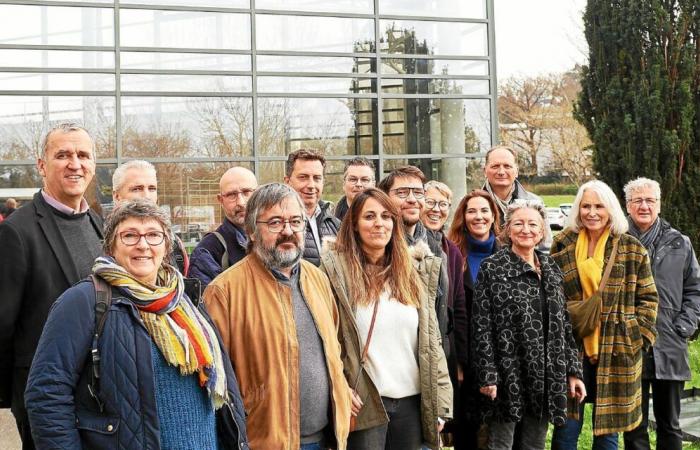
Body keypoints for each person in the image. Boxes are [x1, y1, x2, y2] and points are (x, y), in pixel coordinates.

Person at [24, 200, 248, 449]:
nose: (143, 244)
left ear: (166, 245)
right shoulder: (83, 302)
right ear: (111, 247)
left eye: (153, 235)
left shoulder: (187, 300)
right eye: (130, 236)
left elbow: (226, 389)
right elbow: (46, 395)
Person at [203, 183, 351, 450]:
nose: (288, 231)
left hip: (326, 440)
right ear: (251, 231)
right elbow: (214, 383)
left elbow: (334, 350)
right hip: (263, 442)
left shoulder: (317, 278)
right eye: (274, 222)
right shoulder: (224, 292)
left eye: (296, 221)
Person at [320, 188, 452, 450]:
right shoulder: (335, 272)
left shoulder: (414, 272)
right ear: (354, 225)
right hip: (365, 403)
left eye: (386, 216)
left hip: (412, 405)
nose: (379, 223)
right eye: (369, 216)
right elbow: (325, 340)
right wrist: (341, 387)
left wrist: (441, 404)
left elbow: (431, 343)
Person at [0, 123, 104, 449]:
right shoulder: (17, 232)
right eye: (63, 155)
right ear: (42, 165)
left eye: (83, 155)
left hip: (101, 397)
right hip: (49, 402)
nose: (75, 163)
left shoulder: (99, 225)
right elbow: (3, 327)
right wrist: (18, 399)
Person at [550, 180, 659, 450]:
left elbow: (648, 298)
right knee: (566, 429)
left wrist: (636, 338)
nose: (592, 212)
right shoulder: (562, 243)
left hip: (616, 349)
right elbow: (551, 298)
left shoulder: (630, 248)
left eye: (599, 206)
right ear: (577, 209)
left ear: (610, 209)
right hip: (572, 349)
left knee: (608, 432)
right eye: (585, 206)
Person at [472, 200, 585, 450]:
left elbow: (563, 326)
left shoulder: (551, 268)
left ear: (542, 230)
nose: (526, 229)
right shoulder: (492, 268)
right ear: (507, 229)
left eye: (533, 224)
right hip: (507, 373)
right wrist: (487, 374)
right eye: (519, 223)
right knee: (501, 443)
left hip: (546, 374)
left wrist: (573, 372)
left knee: (534, 444)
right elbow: (481, 326)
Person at [622, 178, 700, 450]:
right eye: (637, 201)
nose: (644, 206)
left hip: (670, 342)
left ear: (658, 203)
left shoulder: (680, 242)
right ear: (627, 205)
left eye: (650, 200)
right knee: (633, 426)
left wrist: (685, 326)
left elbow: (695, 289)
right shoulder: (616, 241)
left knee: (670, 424)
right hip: (629, 344)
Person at [447, 189, 502, 449]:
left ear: (493, 216)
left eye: (484, 211)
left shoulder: (509, 254)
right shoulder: (452, 254)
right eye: (472, 211)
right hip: (466, 359)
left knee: (501, 434)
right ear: (463, 217)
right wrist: (458, 361)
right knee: (468, 434)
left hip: (504, 359)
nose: (478, 216)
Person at [378, 166, 450, 359]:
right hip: (393, 363)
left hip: (432, 358)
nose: (412, 199)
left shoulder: (435, 246)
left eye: (418, 192)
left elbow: (443, 309)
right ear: (385, 199)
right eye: (402, 193)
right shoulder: (378, 249)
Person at [421, 181, 469, 446]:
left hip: (444, 346)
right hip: (416, 346)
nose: (436, 210)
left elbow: (459, 308)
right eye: (430, 202)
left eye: (442, 205)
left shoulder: (452, 251)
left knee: (440, 424)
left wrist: (459, 361)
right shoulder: (407, 243)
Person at [112, 159, 190, 275]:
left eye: (152, 188)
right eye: (137, 189)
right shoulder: (100, 240)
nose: (147, 196)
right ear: (117, 196)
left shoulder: (174, 243)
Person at [189, 166, 258, 287]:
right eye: (232, 195)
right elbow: (211, 303)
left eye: (247, 192)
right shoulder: (207, 252)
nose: (241, 202)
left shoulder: (276, 238)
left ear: (258, 194)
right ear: (220, 200)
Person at [482, 145, 551, 250]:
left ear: (517, 171)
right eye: (495, 166)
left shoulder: (534, 203)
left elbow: (545, 246)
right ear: (485, 171)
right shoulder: (473, 204)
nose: (501, 172)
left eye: (507, 166)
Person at [284, 148, 341, 266]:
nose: (311, 185)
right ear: (287, 181)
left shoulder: (335, 225)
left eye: (317, 178)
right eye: (303, 177)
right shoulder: (279, 226)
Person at [335, 157, 376, 221]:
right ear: (344, 184)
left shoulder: (386, 216)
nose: (358, 184)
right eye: (353, 179)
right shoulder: (330, 219)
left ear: (373, 185)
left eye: (364, 180)